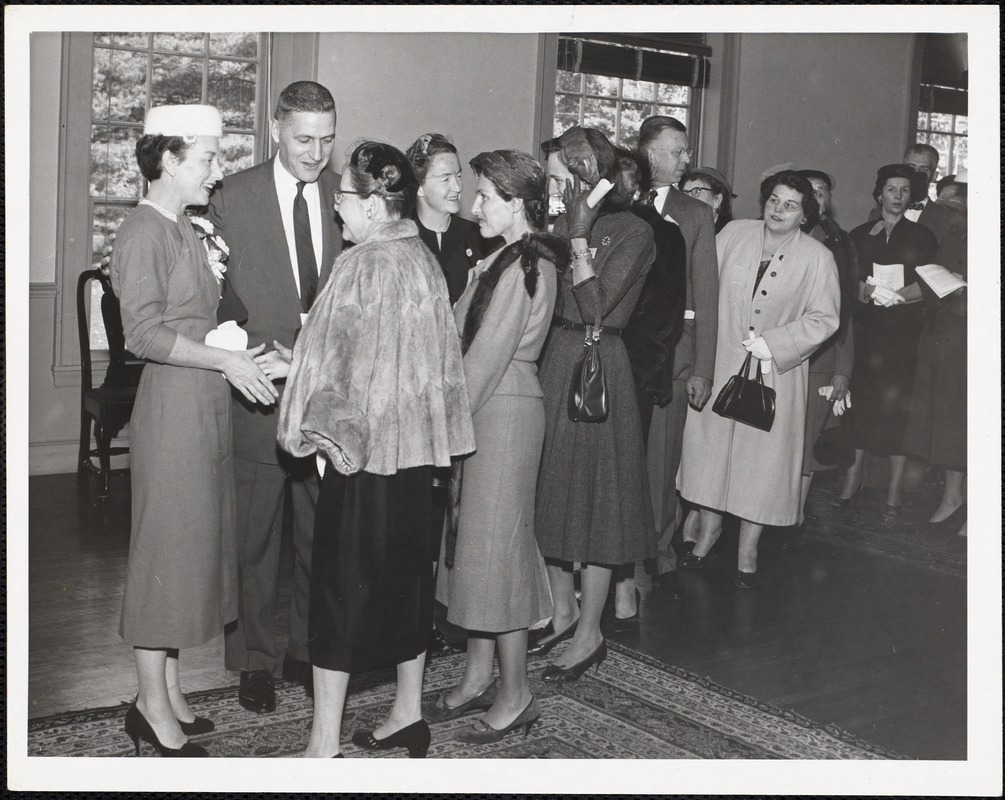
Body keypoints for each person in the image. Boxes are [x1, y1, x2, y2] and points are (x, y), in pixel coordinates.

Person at [276, 141, 476, 758]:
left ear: (371, 203)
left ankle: (322, 744)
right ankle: (409, 713)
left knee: (338, 595)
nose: (338, 212)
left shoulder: (359, 265)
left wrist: (308, 424)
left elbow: (334, 369)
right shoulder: (421, 258)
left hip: (358, 455)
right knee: (409, 585)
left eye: (342, 200)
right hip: (417, 456)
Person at [110, 104, 279, 756]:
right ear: (171, 159)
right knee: (166, 556)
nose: (218, 169)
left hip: (203, 406)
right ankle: (149, 707)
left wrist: (244, 354)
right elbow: (145, 335)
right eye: (208, 157)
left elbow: (194, 321)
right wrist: (222, 358)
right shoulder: (142, 233)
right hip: (173, 414)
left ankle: (169, 692)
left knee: (187, 559)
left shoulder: (184, 226)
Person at [204, 81, 341, 712]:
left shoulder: (349, 196)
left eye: (327, 139)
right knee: (255, 536)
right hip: (258, 389)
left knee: (323, 534)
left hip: (327, 394)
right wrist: (238, 356)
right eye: (303, 139)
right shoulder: (233, 196)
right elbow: (213, 296)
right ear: (275, 130)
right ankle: (255, 662)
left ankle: (308, 653)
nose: (316, 153)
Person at [427, 150, 562, 742]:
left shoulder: (528, 266)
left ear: (516, 203)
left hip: (501, 414)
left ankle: (516, 693)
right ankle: (479, 676)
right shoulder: (502, 259)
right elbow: (452, 330)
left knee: (498, 555)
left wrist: (439, 423)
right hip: (486, 409)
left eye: (485, 196)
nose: (474, 204)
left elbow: (483, 360)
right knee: (475, 551)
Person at [532, 126, 657, 678]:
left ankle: (590, 632)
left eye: (561, 176)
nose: (554, 187)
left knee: (600, 503)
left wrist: (579, 239)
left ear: (589, 175)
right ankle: (561, 613)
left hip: (597, 365)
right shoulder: (561, 223)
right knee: (553, 491)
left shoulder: (633, 232)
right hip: (556, 358)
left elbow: (597, 308)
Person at [678, 170, 840, 588]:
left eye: (790, 205)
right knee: (711, 454)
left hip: (775, 372)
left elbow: (826, 318)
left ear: (806, 214)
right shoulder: (733, 233)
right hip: (721, 363)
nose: (778, 210)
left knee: (761, 465)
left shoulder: (818, 257)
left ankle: (748, 547)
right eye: (773, 200)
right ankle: (708, 533)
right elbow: (700, 285)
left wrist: (779, 342)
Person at [617, 116, 719, 608]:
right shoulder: (619, 202)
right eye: (676, 151)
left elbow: (708, 295)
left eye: (685, 151)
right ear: (650, 153)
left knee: (660, 464)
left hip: (672, 357)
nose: (684, 160)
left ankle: (653, 555)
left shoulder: (695, 214)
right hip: (618, 352)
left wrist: (702, 367)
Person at [836, 164, 938, 518]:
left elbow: (931, 282)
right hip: (867, 333)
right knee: (860, 405)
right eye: (891, 189)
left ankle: (895, 488)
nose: (897, 196)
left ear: (912, 197)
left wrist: (903, 296)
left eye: (904, 191)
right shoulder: (859, 233)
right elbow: (848, 280)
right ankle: (853, 478)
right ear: (879, 194)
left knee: (896, 409)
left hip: (903, 336)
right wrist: (864, 292)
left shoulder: (923, 236)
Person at [902, 171, 967, 535]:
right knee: (952, 421)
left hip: (973, 331)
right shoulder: (959, 230)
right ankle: (953, 496)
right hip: (949, 332)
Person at [793, 169, 858, 530]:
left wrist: (842, 370)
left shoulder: (838, 241)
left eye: (822, 192)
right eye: (809, 191)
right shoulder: (773, 234)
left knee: (808, 448)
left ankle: (794, 516)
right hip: (778, 356)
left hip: (822, 359)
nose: (816, 198)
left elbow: (847, 311)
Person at [405, 132, 500, 305]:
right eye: (445, 179)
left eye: (458, 176)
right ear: (419, 187)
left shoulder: (482, 239)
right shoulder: (400, 241)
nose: (457, 187)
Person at [871, 144, 964, 246]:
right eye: (910, 168)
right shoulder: (876, 214)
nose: (915, 174)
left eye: (924, 170)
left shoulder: (950, 219)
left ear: (934, 176)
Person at [679, 166, 735, 234]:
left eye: (697, 191)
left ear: (717, 200)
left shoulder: (730, 237)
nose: (688, 200)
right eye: (684, 194)